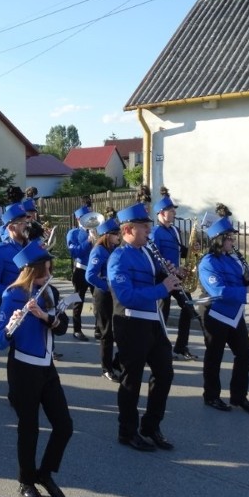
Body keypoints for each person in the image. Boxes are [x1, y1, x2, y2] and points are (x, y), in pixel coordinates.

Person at [0, 240, 72, 497]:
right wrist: (11, 327)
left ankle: (45, 473)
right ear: (30, 271)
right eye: (43, 271)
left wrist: (45, 317)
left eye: (50, 270)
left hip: (47, 367)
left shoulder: (50, 293)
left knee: (64, 425)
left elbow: (62, 327)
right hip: (22, 369)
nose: (48, 276)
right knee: (29, 429)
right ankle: (26, 481)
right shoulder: (13, 295)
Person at [108, 203, 179, 452]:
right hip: (130, 323)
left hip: (152, 320)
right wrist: (162, 288)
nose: (149, 230)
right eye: (144, 227)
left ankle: (151, 426)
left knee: (165, 373)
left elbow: (153, 276)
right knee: (132, 379)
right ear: (128, 229)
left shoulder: (146, 251)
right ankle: (127, 431)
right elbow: (126, 295)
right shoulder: (118, 257)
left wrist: (170, 275)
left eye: (149, 226)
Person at [198, 207, 249, 413]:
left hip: (234, 314)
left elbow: (239, 279)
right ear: (218, 240)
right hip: (216, 313)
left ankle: (239, 397)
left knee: (245, 353)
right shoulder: (207, 262)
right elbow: (218, 290)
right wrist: (246, 289)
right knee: (214, 356)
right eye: (229, 238)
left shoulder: (232, 259)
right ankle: (211, 396)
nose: (233, 242)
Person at [150, 187, 197, 360]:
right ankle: (159, 348)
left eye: (174, 210)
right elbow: (155, 258)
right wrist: (172, 270)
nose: (174, 212)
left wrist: (191, 250)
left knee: (189, 307)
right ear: (161, 213)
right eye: (171, 210)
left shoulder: (174, 230)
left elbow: (179, 251)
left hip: (176, 276)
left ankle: (181, 346)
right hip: (162, 277)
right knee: (163, 312)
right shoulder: (155, 233)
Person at [85, 212, 121, 381]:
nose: (118, 236)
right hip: (103, 295)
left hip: (114, 295)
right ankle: (106, 368)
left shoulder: (113, 249)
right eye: (115, 234)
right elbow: (90, 275)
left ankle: (116, 362)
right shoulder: (99, 250)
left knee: (119, 330)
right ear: (107, 235)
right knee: (107, 333)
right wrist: (105, 286)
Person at [0, 203, 28, 298]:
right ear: (11, 227)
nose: (27, 226)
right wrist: (15, 294)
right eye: (22, 223)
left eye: (27, 222)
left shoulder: (30, 246)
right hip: (13, 308)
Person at [65, 203, 96, 341]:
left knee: (99, 301)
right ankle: (77, 330)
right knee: (79, 301)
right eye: (86, 217)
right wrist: (88, 241)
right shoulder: (74, 233)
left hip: (95, 270)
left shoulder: (96, 230)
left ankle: (99, 329)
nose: (89, 219)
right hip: (81, 270)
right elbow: (74, 252)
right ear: (79, 219)